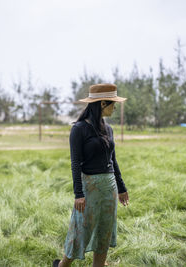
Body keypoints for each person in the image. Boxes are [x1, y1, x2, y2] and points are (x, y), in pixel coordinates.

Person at [53, 84, 130, 267]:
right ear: (103, 103)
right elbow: (75, 164)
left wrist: (121, 187)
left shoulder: (108, 129)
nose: (115, 108)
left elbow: (113, 160)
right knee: (82, 231)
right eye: (113, 104)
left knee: (104, 231)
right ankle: (62, 265)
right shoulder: (79, 129)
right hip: (89, 188)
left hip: (109, 187)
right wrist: (78, 194)